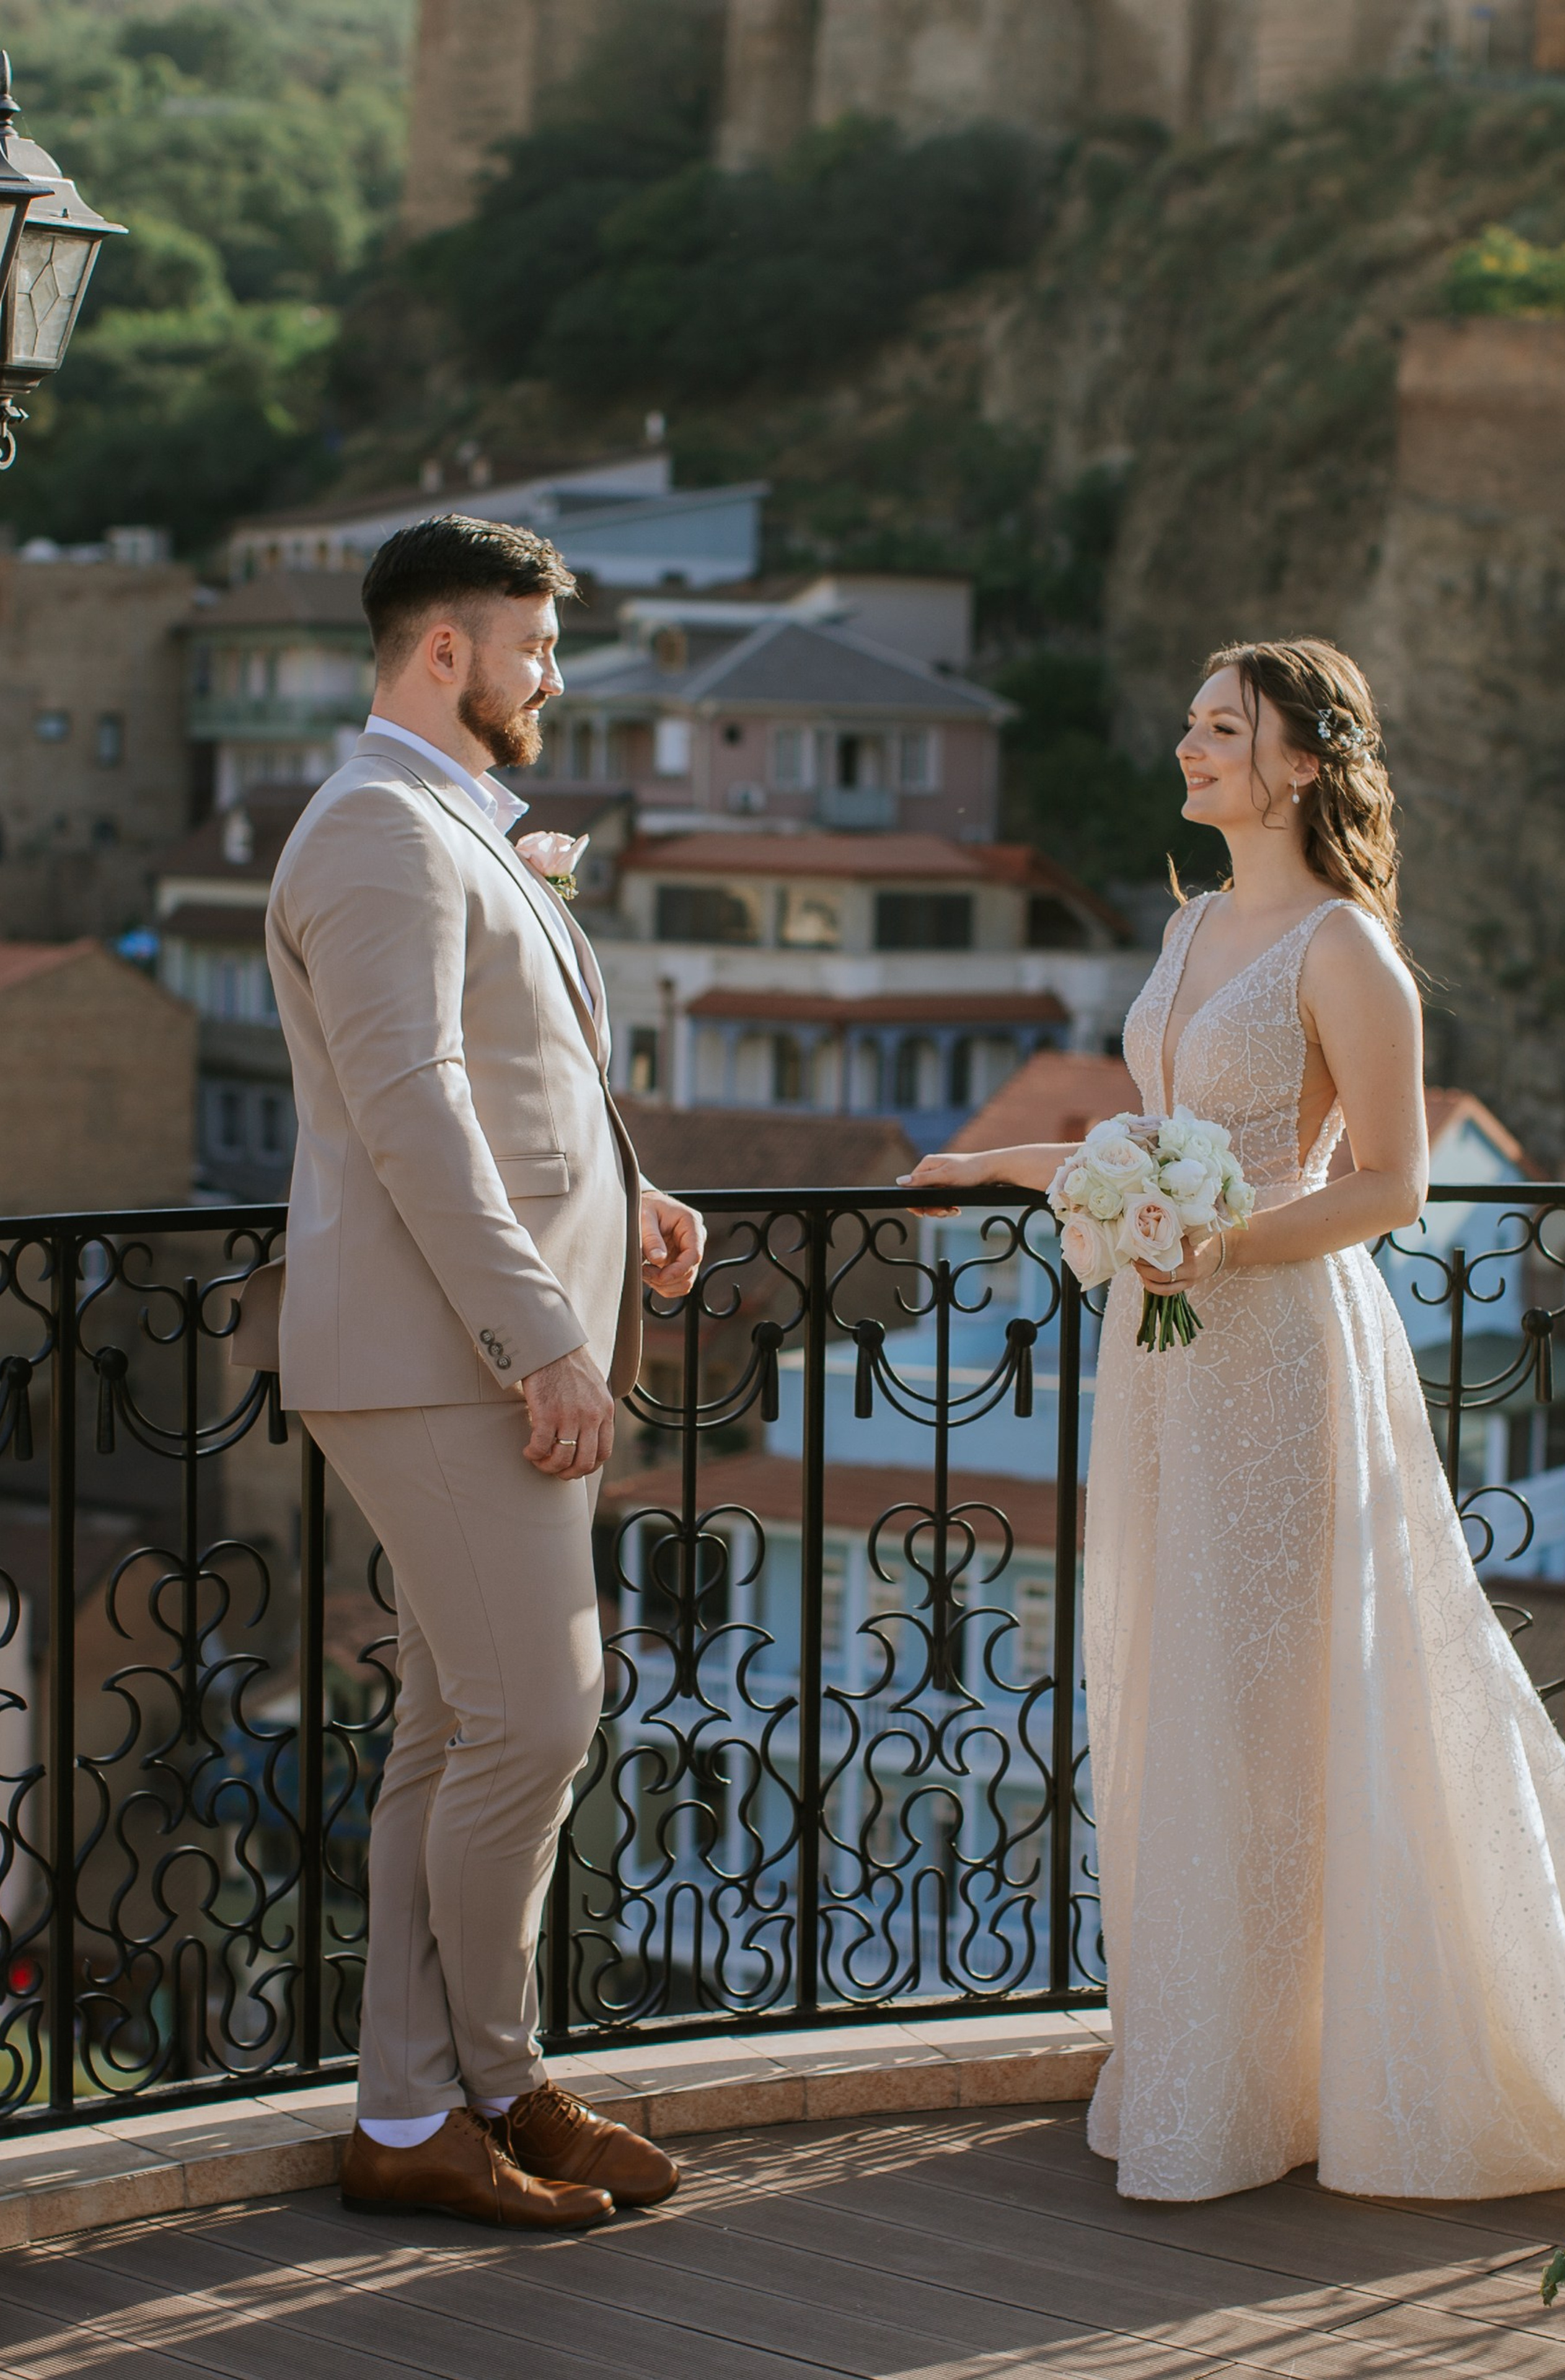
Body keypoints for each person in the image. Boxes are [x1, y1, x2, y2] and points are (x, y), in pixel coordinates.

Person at [902, 637, 1565, 2204]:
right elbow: (1153, 1137)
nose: (1188, 746)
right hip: (1165, 1357)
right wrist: (1003, 1168)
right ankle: (1224, 2070)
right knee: (1186, 1685)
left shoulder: (1345, 950)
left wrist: (1218, 1246)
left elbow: (1390, 1186)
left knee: (1282, 1700)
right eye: (1191, 723)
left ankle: (1319, 2074)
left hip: (1278, 1345)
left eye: (1222, 727)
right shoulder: (1189, 920)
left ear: (1299, 764)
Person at [255, 514, 705, 2228]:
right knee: (540, 1719)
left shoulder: (447, 818)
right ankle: (499, 2082)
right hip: (444, 1355)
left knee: (454, 1737)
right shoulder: (376, 826)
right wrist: (542, 1338)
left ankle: (411, 2116)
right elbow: (411, 1111)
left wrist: (628, 1193)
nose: (553, 678)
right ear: (444, 651)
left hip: (466, 1344)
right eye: (534, 646)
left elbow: (512, 1079)